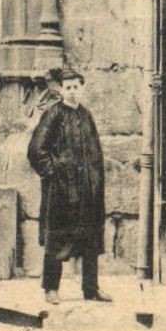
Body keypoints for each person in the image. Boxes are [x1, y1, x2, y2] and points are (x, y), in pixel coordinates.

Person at [26, 68, 110, 303]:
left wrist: (95, 181)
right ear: (61, 90)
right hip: (62, 191)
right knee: (58, 238)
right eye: (68, 87)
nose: (72, 91)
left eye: (76, 87)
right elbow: (36, 150)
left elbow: (95, 153)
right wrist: (54, 174)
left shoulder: (86, 115)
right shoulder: (54, 115)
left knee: (90, 238)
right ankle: (51, 288)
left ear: (82, 88)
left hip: (87, 191)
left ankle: (91, 289)